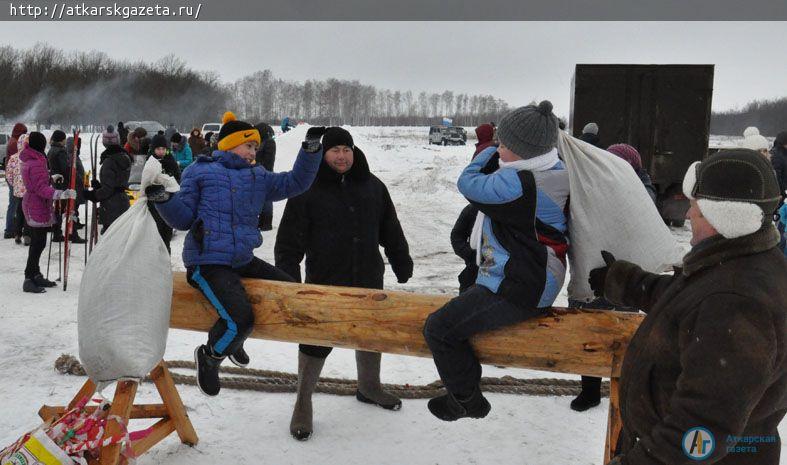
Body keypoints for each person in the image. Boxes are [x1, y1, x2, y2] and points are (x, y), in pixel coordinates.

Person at [596, 149, 786, 465]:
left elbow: (702, 427)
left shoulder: (737, 303)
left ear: (721, 216)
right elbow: (688, 302)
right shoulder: (743, 260)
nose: (686, 216)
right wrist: (627, 282)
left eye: (694, 208)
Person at [148, 112, 323, 397]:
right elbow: (182, 219)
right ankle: (211, 355)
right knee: (240, 319)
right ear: (230, 146)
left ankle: (234, 341)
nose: (254, 151)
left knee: (288, 289)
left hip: (241, 259)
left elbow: (295, 183)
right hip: (208, 262)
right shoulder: (199, 171)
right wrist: (164, 201)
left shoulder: (256, 176)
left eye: (255, 147)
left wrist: (311, 150)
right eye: (249, 146)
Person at [423, 101, 569, 421]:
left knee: (439, 328)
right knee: (455, 318)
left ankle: (466, 400)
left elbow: (469, 183)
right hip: (533, 276)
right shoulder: (552, 169)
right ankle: (462, 390)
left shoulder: (520, 183)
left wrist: (487, 151)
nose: (500, 148)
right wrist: (500, 149)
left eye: (505, 144)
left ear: (524, 151)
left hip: (521, 286)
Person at [275, 127, 413, 441]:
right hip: (324, 282)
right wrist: (289, 283)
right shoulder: (307, 189)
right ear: (324, 154)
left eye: (346, 149)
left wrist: (401, 261)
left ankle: (369, 387)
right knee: (315, 340)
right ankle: (303, 401)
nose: (342, 156)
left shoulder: (373, 186)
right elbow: (288, 243)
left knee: (370, 334)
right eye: (335, 150)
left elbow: (390, 227)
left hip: (368, 277)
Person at [20, 132, 77, 293]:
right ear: (40, 144)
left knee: (40, 241)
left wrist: (51, 178)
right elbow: (39, 188)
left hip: (38, 204)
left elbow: (38, 181)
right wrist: (61, 194)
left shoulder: (34, 158)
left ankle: (36, 273)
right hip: (36, 204)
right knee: (38, 243)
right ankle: (28, 277)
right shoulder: (36, 162)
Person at [82, 131, 132, 233]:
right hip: (122, 203)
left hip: (111, 207)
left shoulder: (109, 161)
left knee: (110, 241)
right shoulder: (124, 157)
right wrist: (100, 186)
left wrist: (94, 195)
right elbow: (117, 183)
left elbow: (108, 189)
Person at [47, 130, 86, 244]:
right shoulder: (60, 152)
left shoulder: (51, 150)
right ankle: (72, 233)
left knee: (59, 209)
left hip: (56, 184)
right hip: (65, 185)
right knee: (70, 210)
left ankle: (57, 232)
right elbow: (66, 169)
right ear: (61, 139)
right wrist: (77, 178)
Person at [147, 134, 180, 252]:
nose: (161, 151)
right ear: (153, 149)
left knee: (166, 237)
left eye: (163, 149)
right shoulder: (150, 161)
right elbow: (146, 181)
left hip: (168, 203)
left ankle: (165, 261)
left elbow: (177, 180)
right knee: (154, 236)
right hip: (153, 204)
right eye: (158, 149)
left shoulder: (170, 161)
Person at [5, 134, 30, 245]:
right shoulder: (31, 157)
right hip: (29, 191)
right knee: (28, 213)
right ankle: (27, 234)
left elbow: (8, 174)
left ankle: (17, 233)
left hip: (18, 191)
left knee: (19, 212)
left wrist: (14, 185)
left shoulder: (13, 158)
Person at [254, 122, 277, 231]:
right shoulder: (262, 142)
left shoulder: (269, 142)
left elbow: (269, 160)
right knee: (261, 199)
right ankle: (261, 221)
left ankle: (267, 223)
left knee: (267, 200)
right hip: (260, 172)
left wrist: (262, 170)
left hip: (266, 173)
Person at [770, 131, 787, 198]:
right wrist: (784, 192)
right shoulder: (776, 155)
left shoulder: (784, 153)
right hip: (781, 194)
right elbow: (777, 178)